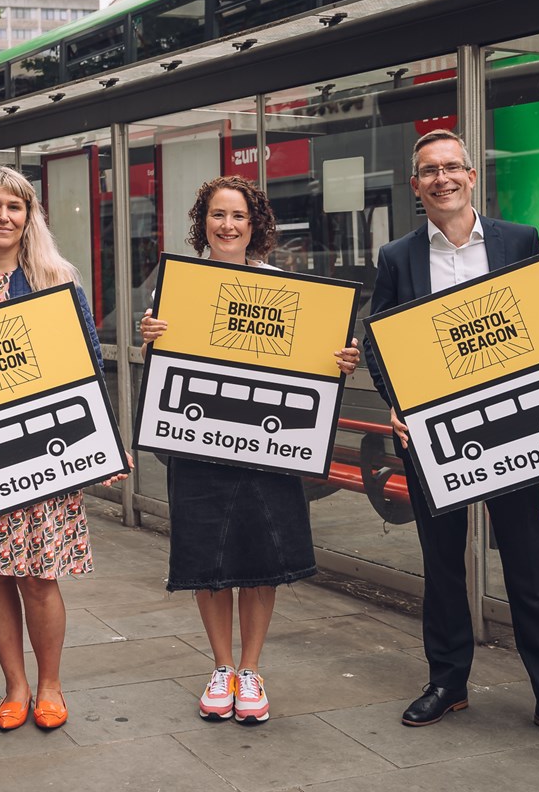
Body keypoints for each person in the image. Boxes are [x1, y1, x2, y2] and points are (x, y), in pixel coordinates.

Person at [364, 129, 539, 753]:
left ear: (471, 176)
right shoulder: (398, 257)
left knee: (528, 570)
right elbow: (377, 340)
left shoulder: (517, 241)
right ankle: (448, 682)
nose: (442, 179)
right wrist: (396, 400)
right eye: (429, 171)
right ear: (416, 184)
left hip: (512, 432)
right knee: (444, 569)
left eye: (452, 168)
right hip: (433, 438)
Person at [139, 176, 360, 725]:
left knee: (261, 557)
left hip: (270, 448)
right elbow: (167, 371)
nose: (228, 225)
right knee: (207, 557)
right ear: (203, 223)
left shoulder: (287, 290)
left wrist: (338, 361)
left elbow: (313, 363)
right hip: (200, 447)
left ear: (255, 225)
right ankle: (221, 668)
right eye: (217, 215)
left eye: (238, 216)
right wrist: (151, 337)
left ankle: (251, 669)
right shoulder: (176, 288)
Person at [0, 165, 130, 733]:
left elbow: (90, 364)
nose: (4, 217)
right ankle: (14, 687)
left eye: (15, 207)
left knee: (39, 575)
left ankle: (50, 685)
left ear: (29, 216)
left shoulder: (58, 280)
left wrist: (107, 442)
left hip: (43, 453)